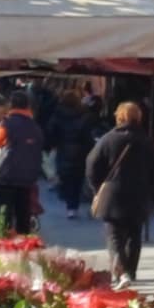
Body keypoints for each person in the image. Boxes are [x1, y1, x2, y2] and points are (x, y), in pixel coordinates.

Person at [87, 100, 154, 287]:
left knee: (114, 235)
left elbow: (92, 165)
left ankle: (119, 272)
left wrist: (97, 188)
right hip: (139, 194)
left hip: (113, 194)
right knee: (134, 234)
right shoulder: (146, 141)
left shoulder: (107, 139)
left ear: (119, 117)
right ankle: (129, 272)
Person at [0, 89, 45, 233]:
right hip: (28, 178)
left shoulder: (7, 124)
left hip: (7, 177)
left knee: (4, 217)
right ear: (28, 106)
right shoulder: (35, 127)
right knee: (23, 215)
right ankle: (23, 246)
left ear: (10, 105)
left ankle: (5, 247)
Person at [51, 87, 94, 221]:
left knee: (66, 178)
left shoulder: (57, 115)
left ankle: (69, 204)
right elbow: (88, 136)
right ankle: (73, 207)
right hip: (80, 152)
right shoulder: (84, 115)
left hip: (63, 150)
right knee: (77, 179)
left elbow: (51, 132)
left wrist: (52, 144)